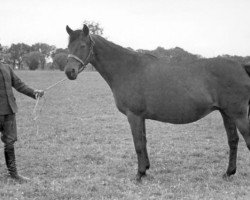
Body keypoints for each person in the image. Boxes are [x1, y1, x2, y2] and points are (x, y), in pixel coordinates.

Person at [0, 62, 44, 183]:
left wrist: (34, 92)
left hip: (9, 110)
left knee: (10, 142)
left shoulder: (6, 67)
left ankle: (12, 173)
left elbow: (19, 84)